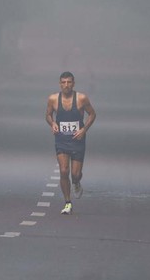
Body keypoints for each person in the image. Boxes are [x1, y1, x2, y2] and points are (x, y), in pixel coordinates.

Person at [45, 71, 96, 215]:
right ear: (60, 84)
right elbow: (48, 114)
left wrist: (84, 129)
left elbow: (92, 114)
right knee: (63, 170)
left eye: (69, 82)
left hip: (77, 140)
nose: (66, 85)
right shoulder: (53, 99)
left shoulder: (81, 98)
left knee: (75, 174)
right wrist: (53, 123)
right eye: (63, 82)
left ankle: (77, 182)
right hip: (61, 139)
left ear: (73, 83)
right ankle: (68, 202)